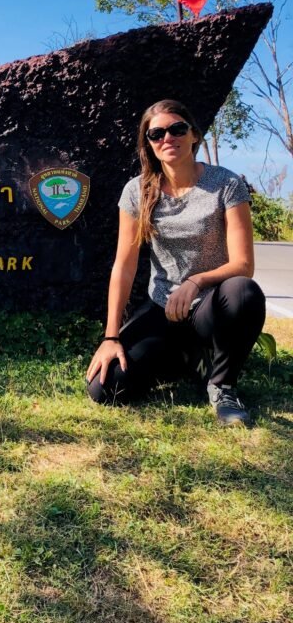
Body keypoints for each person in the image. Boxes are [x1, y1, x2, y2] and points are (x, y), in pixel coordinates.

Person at [86, 98, 266, 426]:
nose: (167, 138)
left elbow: (243, 264)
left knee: (244, 292)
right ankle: (188, 361)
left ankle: (222, 385)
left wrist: (196, 281)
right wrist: (111, 338)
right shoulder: (136, 192)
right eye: (156, 134)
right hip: (163, 310)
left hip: (211, 307)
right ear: (149, 145)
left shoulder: (226, 185)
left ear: (194, 134)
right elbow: (124, 267)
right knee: (105, 388)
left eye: (176, 129)